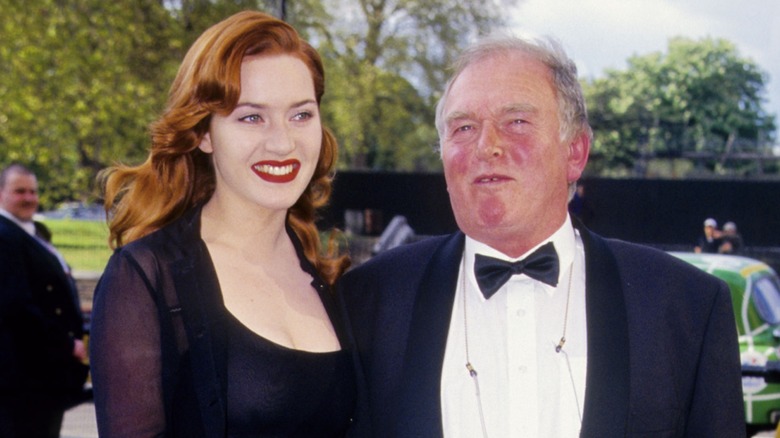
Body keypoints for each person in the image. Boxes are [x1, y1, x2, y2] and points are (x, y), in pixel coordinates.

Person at [338, 35, 745, 437]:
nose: (486, 146)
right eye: (463, 127)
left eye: (516, 122)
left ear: (575, 153)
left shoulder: (685, 307)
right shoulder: (369, 303)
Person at [89, 11, 355, 437]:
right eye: (252, 117)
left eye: (301, 115)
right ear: (204, 134)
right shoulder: (146, 279)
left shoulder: (330, 278)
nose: (283, 142)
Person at [0, 164, 88, 438]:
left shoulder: (32, 232)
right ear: (1, 193)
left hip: (42, 374)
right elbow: (16, 306)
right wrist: (66, 344)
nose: (28, 198)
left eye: (33, 192)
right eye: (19, 191)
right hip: (23, 376)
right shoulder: (4, 237)